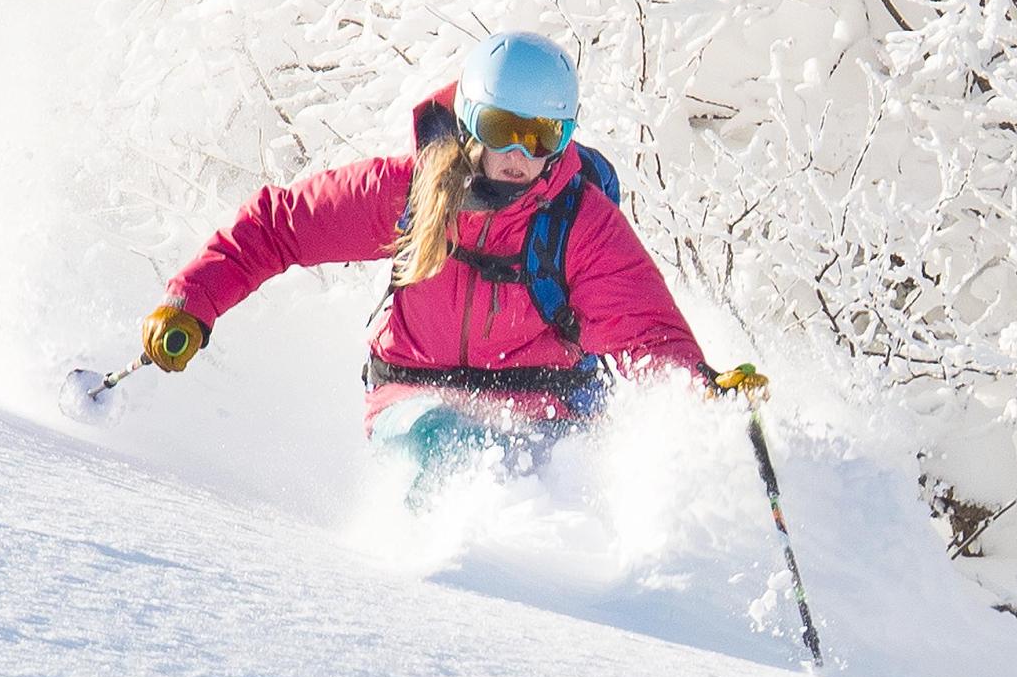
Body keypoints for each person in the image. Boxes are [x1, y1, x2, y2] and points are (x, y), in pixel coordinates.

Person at [137, 31, 759, 488]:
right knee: (444, 448)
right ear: (468, 120)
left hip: (545, 412)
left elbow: (644, 332)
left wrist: (703, 390)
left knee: (535, 488)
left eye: (542, 136)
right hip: (414, 399)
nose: (519, 153)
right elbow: (281, 226)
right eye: (500, 127)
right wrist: (191, 303)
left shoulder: (580, 224)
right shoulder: (411, 193)